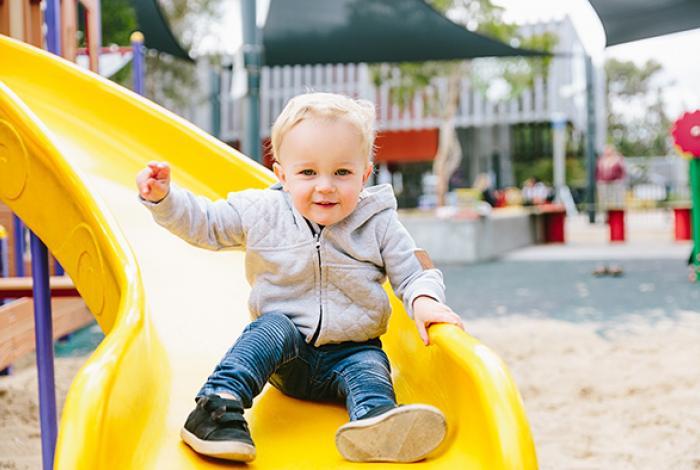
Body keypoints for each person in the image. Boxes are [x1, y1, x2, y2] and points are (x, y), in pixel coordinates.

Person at [135, 92, 464, 464]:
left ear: (365, 173)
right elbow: (206, 224)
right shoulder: (263, 212)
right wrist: (164, 199)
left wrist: (425, 301)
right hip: (285, 359)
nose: (325, 185)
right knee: (272, 327)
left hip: (352, 351)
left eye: (342, 172)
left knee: (373, 369)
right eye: (308, 172)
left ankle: (376, 425)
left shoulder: (379, 223)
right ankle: (216, 407)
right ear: (283, 175)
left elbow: (413, 268)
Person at [595, 144, 626, 213]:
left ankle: (617, 217)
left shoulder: (618, 159)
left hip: (616, 183)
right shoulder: (601, 160)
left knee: (617, 201)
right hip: (603, 183)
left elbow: (622, 171)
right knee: (604, 201)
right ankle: (605, 216)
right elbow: (597, 171)